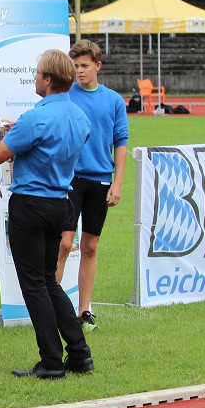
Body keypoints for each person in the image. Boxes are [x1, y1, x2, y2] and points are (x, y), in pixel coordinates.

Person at [0, 49, 93, 379]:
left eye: (37, 74)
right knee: (48, 280)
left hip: (30, 203)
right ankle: (79, 352)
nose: (34, 79)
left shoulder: (36, 117)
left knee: (34, 285)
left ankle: (51, 360)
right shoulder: (79, 117)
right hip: (60, 202)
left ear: (47, 79)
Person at [55, 39, 128, 332]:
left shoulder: (113, 100)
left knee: (90, 246)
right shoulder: (65, 95)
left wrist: (117, 182)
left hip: (101, 180)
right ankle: (53, 307)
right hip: (71, 180)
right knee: (62, 243)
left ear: (98, 66)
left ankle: (84, 310)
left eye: (84, 66)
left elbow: (120, 142)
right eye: (75, 66)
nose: (79, 71)